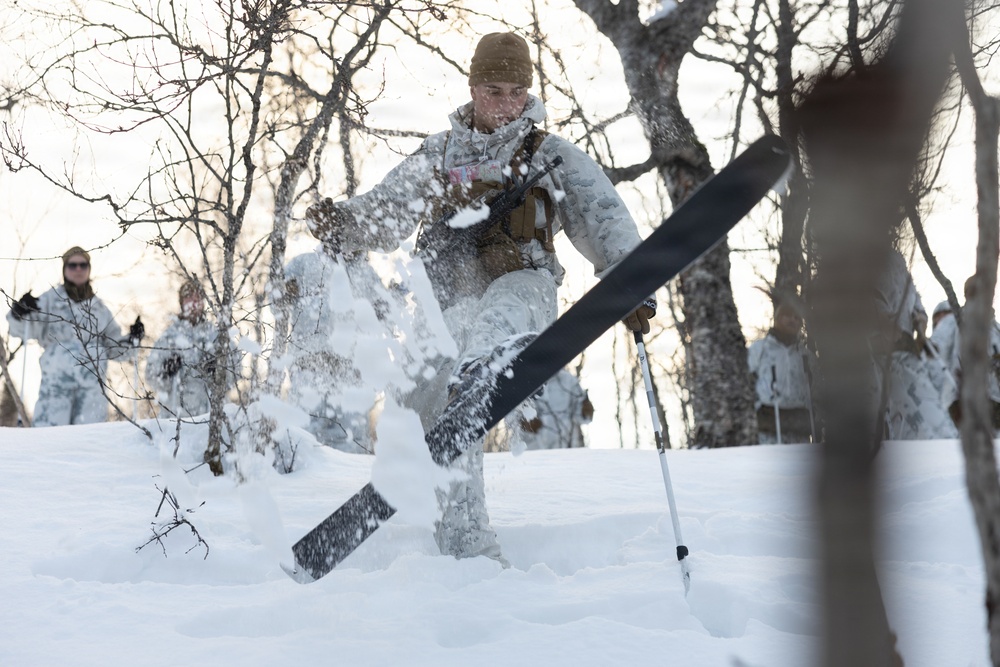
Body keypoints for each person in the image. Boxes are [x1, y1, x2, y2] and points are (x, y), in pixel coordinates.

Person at [305, 32, 654, 565]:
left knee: (488, 344)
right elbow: (387, 210)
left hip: (524, 286)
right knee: (429, 417)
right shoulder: (438, 157)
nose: (506, 105)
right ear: (473, 88)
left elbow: (604, 218)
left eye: (517, 92)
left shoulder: (549, 155)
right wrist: (345, 225)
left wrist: (632, 284)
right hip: (449, 305)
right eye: (494, 90)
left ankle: (489, 365)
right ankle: (466, 547)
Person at [5, 246, 143, 426]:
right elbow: (23, 330)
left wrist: (132, 340)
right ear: (65, 269)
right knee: (50, 441)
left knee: (90, 443)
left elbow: (115, 349)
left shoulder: (99, 309)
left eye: (83, 265)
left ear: (88, 269)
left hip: (92, 391)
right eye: (73, 265)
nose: (78, 269)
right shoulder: (49, 301)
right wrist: (19, 313)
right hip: (56, 389)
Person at [282, 250, 380, 453]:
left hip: (351, 376)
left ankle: (352, 485)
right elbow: (276, 295)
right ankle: (298, 482)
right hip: (310, 370)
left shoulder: (367, 274)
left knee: (352, 444)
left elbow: (382, 317)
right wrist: (285, 290)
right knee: (302, 440)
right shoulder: (304, 263)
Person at [872, 249, 957, 440]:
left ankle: (941, 448)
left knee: (927, 412)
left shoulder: (897, 259)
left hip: (907, 352)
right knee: (895, 416)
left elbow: (913, 296)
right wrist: (882, 320)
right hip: (878, 355)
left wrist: (920, 318)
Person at [145, 279, 227, 418]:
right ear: (182, 302)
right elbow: (150, 376)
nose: (194, 303)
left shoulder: (215, 335)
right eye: (189, 297)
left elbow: (236, 371)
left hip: (209, 418)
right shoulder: (169, 337)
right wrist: (166, 371)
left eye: (198, 298)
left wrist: (219, 369)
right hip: (174, 420)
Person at [929, 277, 1000, 431]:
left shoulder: (995, 328)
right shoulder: (953, 321)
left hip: (994, 403)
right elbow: (933, 354)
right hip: (960, 400)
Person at [747, 294, 816, 444]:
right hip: (769, 422)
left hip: (800, 423)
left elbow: (817, 389)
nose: (793, 320)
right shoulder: (759, 349)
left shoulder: (806, 355)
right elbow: (746, 382)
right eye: (788, 316)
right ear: (777, 318)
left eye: (797, 317)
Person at [518, 369, 594, 450]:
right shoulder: (530, 380)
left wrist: (586, 409)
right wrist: (526, 423)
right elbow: (515, 417)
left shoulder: (568, 380)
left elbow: (584, 417)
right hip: (537, 449)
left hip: (568, 445)